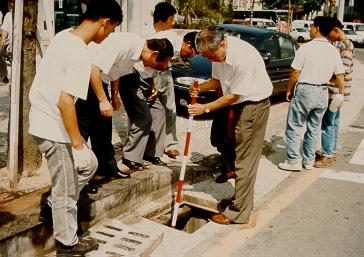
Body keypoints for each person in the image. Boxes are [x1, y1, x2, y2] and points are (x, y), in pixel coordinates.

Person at [28, 1, 122, 255]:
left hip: (41, 119)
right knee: (68, 190)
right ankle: (67, 242)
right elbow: (65, 102)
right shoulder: (81, 53)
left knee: (89, 166)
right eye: (112, 29)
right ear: (105, 22)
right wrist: (78, 146)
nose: (110, 35)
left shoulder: (63, 36)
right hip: (53, 129)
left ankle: (52, 205)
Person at [188, 28, 272, 225]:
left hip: (253, 106)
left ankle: (238, 212)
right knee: (239, 155)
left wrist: (205, 108)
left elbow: (233, 95)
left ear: (222, 44)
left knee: (244, 160)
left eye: (211, 55)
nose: (210, 60)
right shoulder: (218, 55)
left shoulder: (244, 57)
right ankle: (240, 201)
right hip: (241, 104)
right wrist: (200, 87)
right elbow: (217, 81)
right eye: (206, 57)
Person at [87, 34, 174, 172]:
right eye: (160, 63)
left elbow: (116, 72)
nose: (161, 67)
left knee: (103, 129)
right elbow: (94, 70)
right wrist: (103, 99)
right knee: (86, 129)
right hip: (87, 81)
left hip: (101, 82)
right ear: (154, 54)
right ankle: (85, 176)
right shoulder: (124, 45)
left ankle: (106, 168)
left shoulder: (136, 53)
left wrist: (114, 95)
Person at [278, 16, 346, 172]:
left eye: (311, 26)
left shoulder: (305, 48)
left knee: (294, 126)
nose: (309, 29)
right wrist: (341, 95)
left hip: (305, 90)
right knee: (314, 127)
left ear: (317, 29)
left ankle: (294, 160)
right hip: (322, 91)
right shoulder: (333, 50)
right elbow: (340, 76)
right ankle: (308, 161)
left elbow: (295, 71)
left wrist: (289, 89)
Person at [142, 2, 181, 158]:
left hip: (164, 74)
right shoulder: (144, 33)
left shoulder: (172, 35)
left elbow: (176, 56)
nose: (172, 23)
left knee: (169, 109)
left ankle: (170, 143)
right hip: (146, 74)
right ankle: (145, 144)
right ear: (164, 18)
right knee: (146, 110)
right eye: (171, 19)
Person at [314, 18, 354, 168]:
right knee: (334, 122)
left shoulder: (346, 47)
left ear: (336, 30)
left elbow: (342, 71)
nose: (328, 36)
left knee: (328, 123)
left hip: (334, 92)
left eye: (329, 32)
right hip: (337, 92)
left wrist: (325, 77)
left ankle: (327, 155)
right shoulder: (340, 45)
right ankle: (331, 150)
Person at [0, 0, 14, 84]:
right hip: (11, 44)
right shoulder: (8, 15)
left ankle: (5, 75)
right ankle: (5, 75)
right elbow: (5, 30)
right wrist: (3, 39)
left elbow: (4, 30)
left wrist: (3, 39)